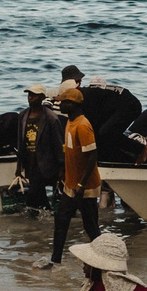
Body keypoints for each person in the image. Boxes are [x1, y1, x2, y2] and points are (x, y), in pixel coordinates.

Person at [48, 84, 102, 267]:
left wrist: (81, 184)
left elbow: (92, 155)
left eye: (63, 103)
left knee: (91, 227)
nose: (60, 105)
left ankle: (103, 262)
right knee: (61, 220)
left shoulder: (83, 125)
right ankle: (55, 260)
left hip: (84, 186)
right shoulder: (70, 122)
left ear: (72, 104)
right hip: (70, 183)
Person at [15, 84, 62, 212]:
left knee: (35, 193)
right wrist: (19, 167)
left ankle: (41, 216)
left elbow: (57, 144)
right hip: (29, 161)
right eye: (29, 95)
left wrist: (61, 167)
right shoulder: (23, 115)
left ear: (42, 97)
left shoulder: (51, 117)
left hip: (46, 162)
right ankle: (44, 216)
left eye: (34, 95)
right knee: (37, 193)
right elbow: (20, 142)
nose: (30, 98)